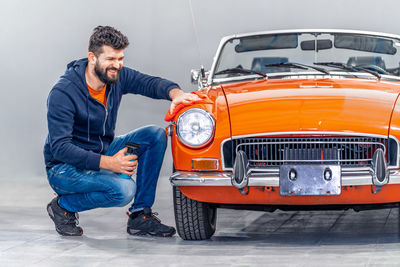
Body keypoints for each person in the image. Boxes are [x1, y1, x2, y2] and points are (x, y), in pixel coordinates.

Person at [44, 25, 198, 237]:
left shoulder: (115, 78)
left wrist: (176, 94)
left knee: (155, 135)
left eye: (120, 58)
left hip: (101, 151)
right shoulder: (64, 92)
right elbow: (61, 149)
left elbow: (150, 83)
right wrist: (110, 163)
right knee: (123, 190)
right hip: (64, 168)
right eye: (110, 59)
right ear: (92, 57)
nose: (116, 65)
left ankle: (140, 217)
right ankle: (63, 206)